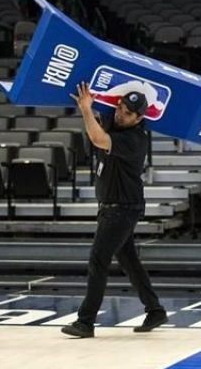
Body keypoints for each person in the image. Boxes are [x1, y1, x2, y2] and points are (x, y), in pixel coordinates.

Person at [62, 83, 167, 339]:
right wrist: (92, 101)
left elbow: (98, 138)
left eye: (128, 113)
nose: (121, 114)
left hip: (122, 209)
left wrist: (85, 109)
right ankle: (155, 309)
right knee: (129, 260)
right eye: (120, 107)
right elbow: (100, 118)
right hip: (114, 207)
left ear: (139, 118)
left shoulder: (134, 140)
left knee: (99, 260)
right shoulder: (115, 121)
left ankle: (85, 322)